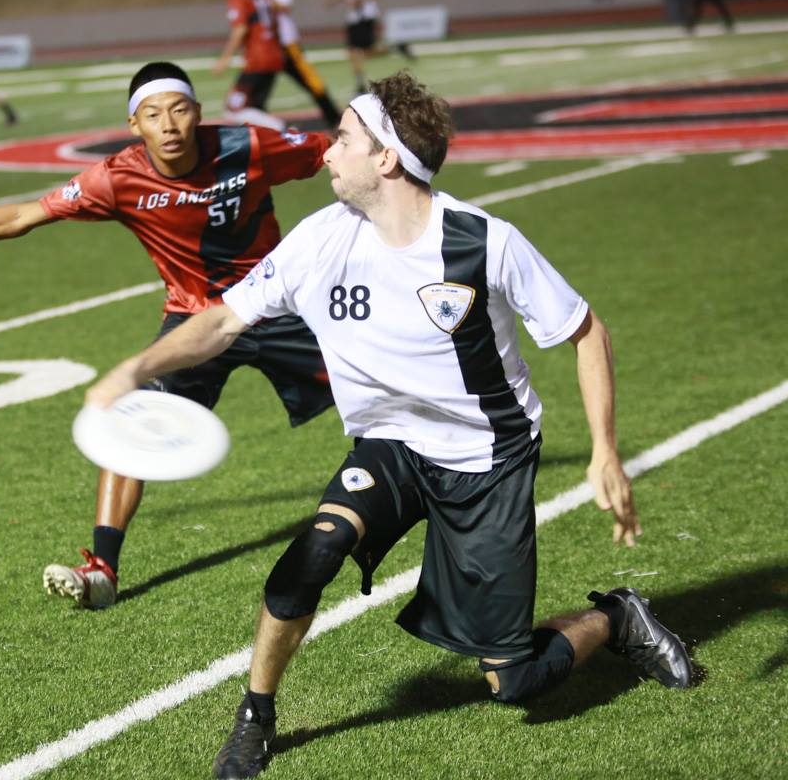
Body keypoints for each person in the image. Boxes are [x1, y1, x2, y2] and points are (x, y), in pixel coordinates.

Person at [83, 70, 693, 778]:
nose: (326, 152)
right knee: (309, 557)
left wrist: (605, 453)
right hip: (394, 445)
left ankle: (617, 618)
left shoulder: (483, 243)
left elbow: (585, 330)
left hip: (486, 459)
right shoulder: (322, 240)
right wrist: (134, 370)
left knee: (514, 681)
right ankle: (256, 715)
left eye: (342, 138)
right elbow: (220, 321)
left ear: (386, 159)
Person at [0, 61, 335, 610]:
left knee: (385, 387)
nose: (168, 124)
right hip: (192, 323)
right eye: (153, 114)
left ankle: (426, 487)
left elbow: (333, 155)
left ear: (197, 113)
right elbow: (22, 217)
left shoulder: (248, 145)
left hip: (276, 306)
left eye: (178, 110)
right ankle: (102, 569)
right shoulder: (116, 178)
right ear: (134, 125)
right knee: (133, 421)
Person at [251, 0, 342, 128]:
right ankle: (259, 125)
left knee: (309, 80)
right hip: (264, 44)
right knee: (258, 87)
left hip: (286, 40)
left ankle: (333, 117)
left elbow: (284, 5)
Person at [214, 0, 290, 131]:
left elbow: (240, 29)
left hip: (257, 60)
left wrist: (224, 59)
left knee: (233, 110)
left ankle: (282, 130)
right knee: (257, 108)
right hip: (274, 55)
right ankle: (270, 146)